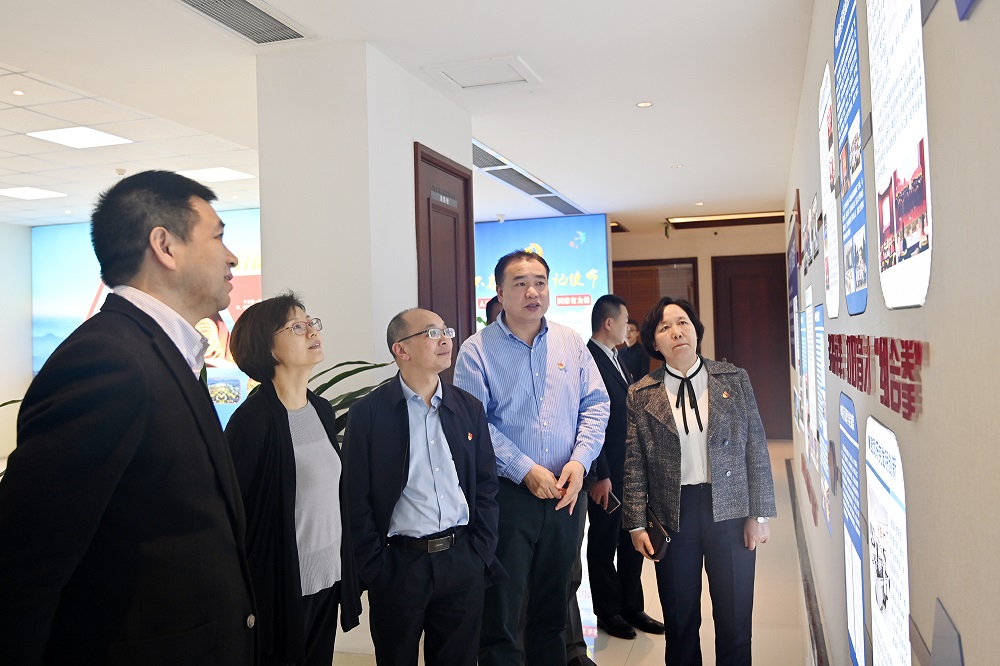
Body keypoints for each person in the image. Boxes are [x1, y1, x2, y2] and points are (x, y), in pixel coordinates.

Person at [0, 170, 257, 664]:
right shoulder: (107, 360)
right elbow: (26, 564)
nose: (231, 257)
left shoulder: (166, 353)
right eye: (218, 236)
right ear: (165, 246)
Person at [454, 250, 610, 666]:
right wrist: (524, 469)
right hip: (508, 496)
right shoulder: (476, 351)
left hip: (566, 492)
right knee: (502, 612)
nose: (532, 292)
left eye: (540, 282)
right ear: (499, 292)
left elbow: (596, 405)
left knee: (554, 607)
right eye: (520, 283)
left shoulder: (570, 342)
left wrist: (580, 461)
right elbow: (474, 425)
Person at [344, 308, 504, 666]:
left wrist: (479, 551)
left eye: (446, 331)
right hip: (399, 566)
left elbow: (486, 486)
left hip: (461, 559)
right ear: (401, 349)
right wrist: (377, 568)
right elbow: (356, 499)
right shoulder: (368, 414)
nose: (445, 339)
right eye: (432, 333)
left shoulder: (468, 408)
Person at [623, 296, 776, 665]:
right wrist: (636, 523)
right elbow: (634, 463)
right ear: (654, 341)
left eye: (683, 323)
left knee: (735, 621)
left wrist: (759, 515)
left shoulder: (733, 378)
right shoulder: (642, 393)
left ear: (696, 330)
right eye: (665, 327)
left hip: (731, 509)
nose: (677, 332)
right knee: (680, 622)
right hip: (674, 516)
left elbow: (756, 446)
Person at [224, 292, 362, 665]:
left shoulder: (321, 409)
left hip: (327, 578)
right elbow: (233, 516)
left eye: (311, 323)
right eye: (296, 327)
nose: (312, 331)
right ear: (267, 347)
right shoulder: (252, 422)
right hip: (281, 588)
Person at [586, 296, 664, 641]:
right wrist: (600, 474)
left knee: (632, 537)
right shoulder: (588, 360)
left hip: (629, 468)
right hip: (606, 472)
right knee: (604, 541)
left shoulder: (616, 357)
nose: (628, 326)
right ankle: (608, 612)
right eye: (625, 319)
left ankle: (632, 607)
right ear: (609, 323)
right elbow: (588, 422)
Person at [618, 317, 649, 382]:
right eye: (626, 330)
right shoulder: (619, 353)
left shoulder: (643, 351)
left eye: (631, 330)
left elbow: (644, 375)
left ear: (637, 333)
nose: (628, 333)